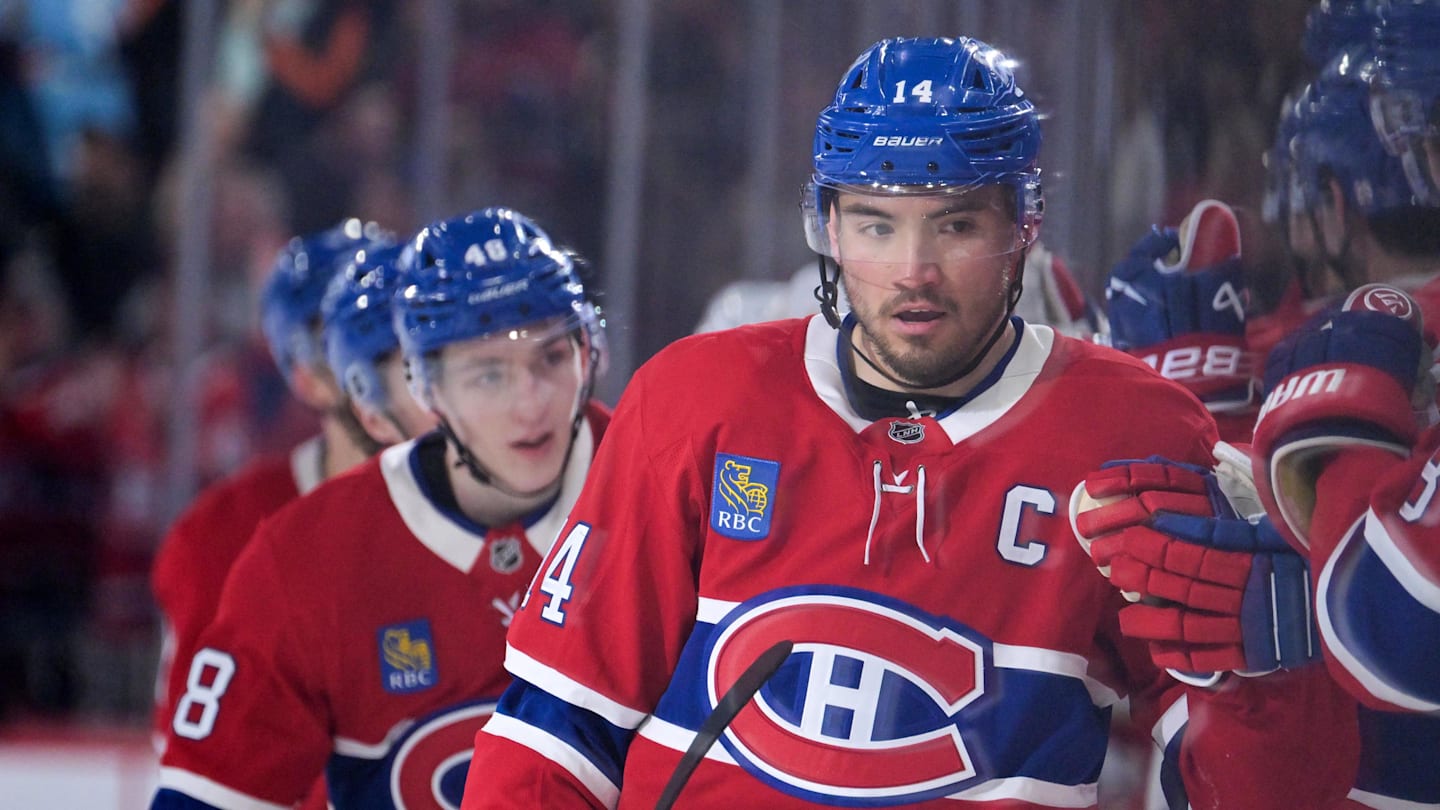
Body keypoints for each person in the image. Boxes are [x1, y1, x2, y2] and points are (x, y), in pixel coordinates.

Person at [465, 36, 1354, 809]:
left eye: (956, 224)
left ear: (1024, 228)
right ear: (828, 226)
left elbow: (1240, 788)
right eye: (877, 226)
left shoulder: (1132, 431)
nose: (913, 271)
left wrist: (1262, 681)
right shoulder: (696, 400)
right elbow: (555, 732)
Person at [150, 206, 609, 809]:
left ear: (585, 352)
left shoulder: (668, 485)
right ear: (427, 389)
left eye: (551, 358)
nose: (530, 404)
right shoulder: (299, 556)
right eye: (488, 373)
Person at [149, 218, 394, 754]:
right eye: (351, 347)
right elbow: (200, 756)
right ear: (303, 375)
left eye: (395, 340)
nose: (379, 370)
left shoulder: (501, 506)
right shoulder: (222, 536)